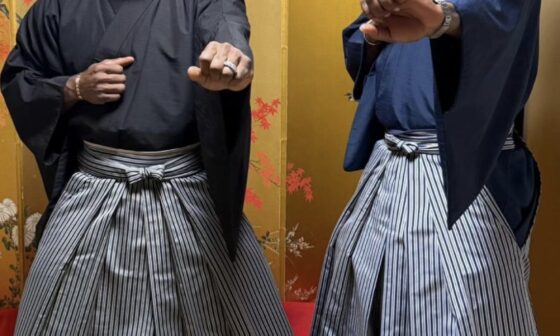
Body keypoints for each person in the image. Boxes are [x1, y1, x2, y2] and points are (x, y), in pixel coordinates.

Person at [1, 0, 292, 334]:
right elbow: (21, 77)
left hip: (186, 193)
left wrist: (231, 62)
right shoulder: (58, 6)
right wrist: (75, 87)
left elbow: (227, 31)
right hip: (93, 192)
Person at [312, 0, 541, 334]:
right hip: (389, 164)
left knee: (471, 312)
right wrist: (378, 26)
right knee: (369, 304)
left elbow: (503, 17)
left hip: (465, 170)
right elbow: (363, 36)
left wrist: (443, 20)